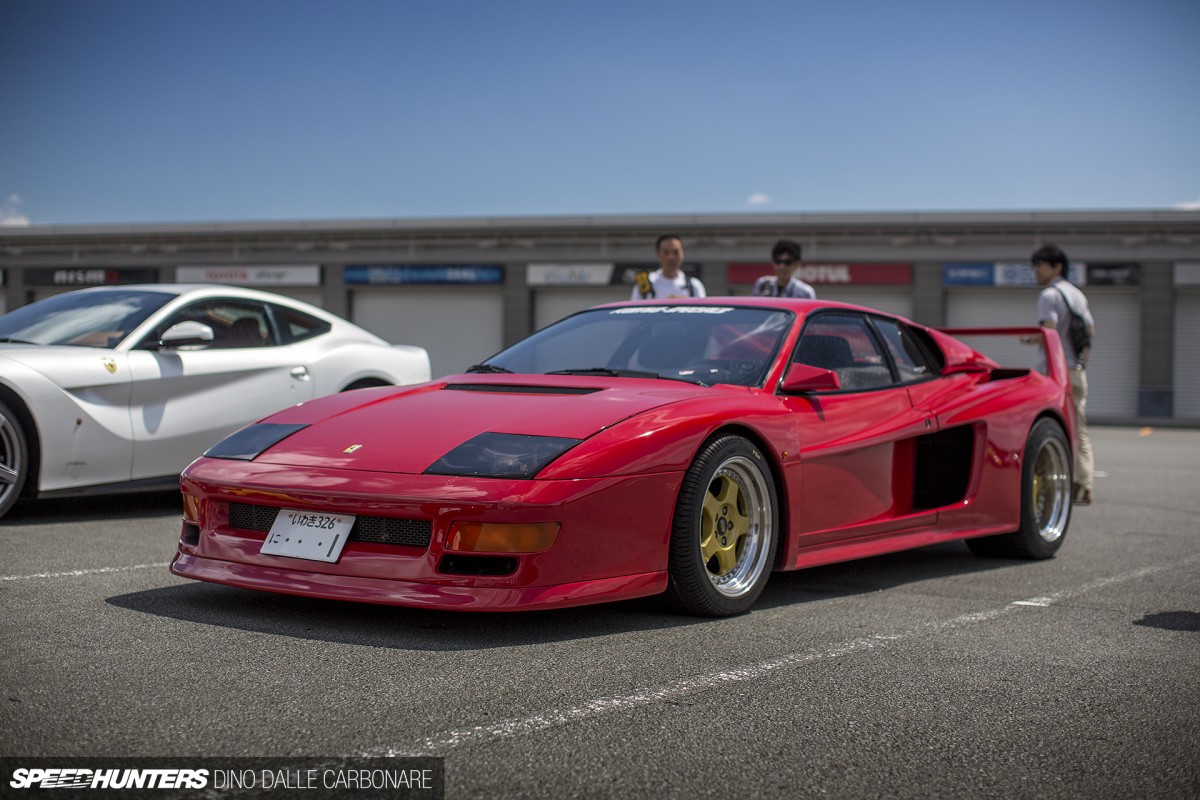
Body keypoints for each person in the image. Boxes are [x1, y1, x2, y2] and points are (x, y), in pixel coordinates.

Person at [1031, 244, 1095, 505]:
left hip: (1055, 373)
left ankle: (1053, 485)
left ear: (1056, 267)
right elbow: (1090, 331)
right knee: (1079, 427)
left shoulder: (1049, 295)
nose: (1035, 271)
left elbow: (1049, 333)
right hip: (1077, 371)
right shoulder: (1078, 295)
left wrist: (1030, 338)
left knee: (1049, 428)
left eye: (1040, 265)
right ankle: (1085, 483)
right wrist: (1079, 364)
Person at [632, 234, 706, 300]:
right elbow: (634, 313)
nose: (671, 257)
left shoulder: (694, 286)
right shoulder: (645, 284)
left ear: (682, 254)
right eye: (666, 253)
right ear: (658, 255)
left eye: (675, 252)